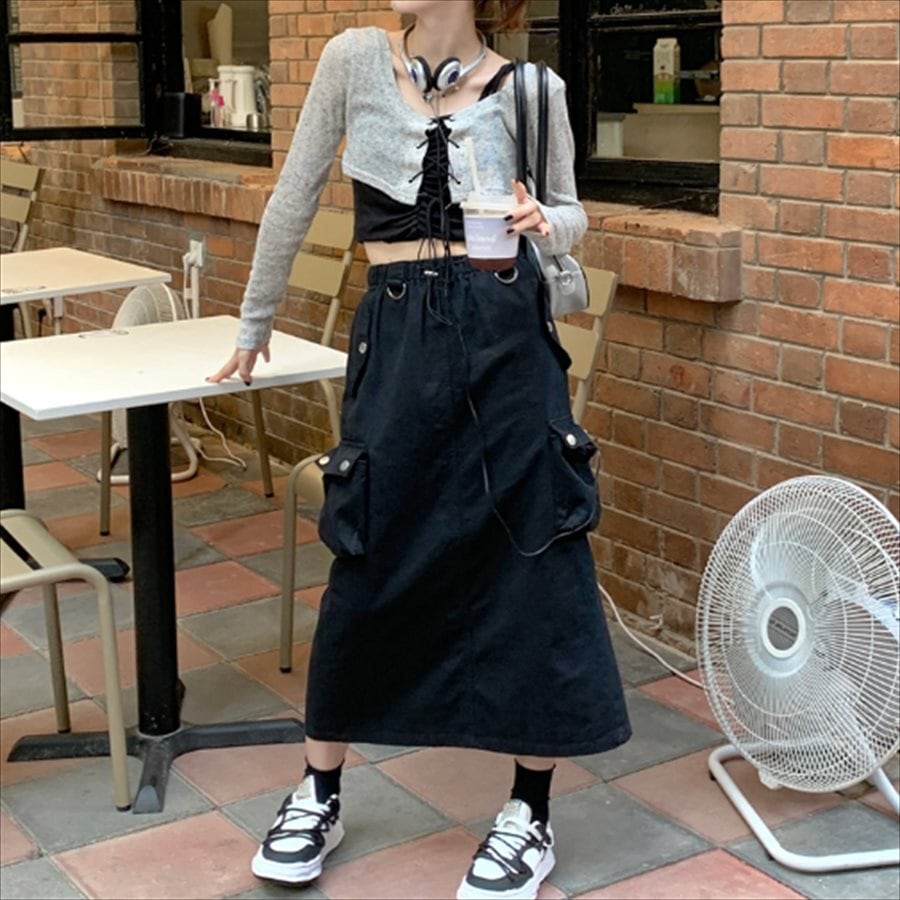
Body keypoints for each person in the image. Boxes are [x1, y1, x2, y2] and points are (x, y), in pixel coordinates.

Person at [208, 2, 630, 897]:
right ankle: (318, 791)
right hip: (396, 337)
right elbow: (293, 192)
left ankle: (529, 813)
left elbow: (572, 215)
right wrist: (254, 320)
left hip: (507, 342)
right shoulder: (353, 60)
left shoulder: (536, 91)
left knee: (533, 559)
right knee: (368, 549)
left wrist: (544, 220)